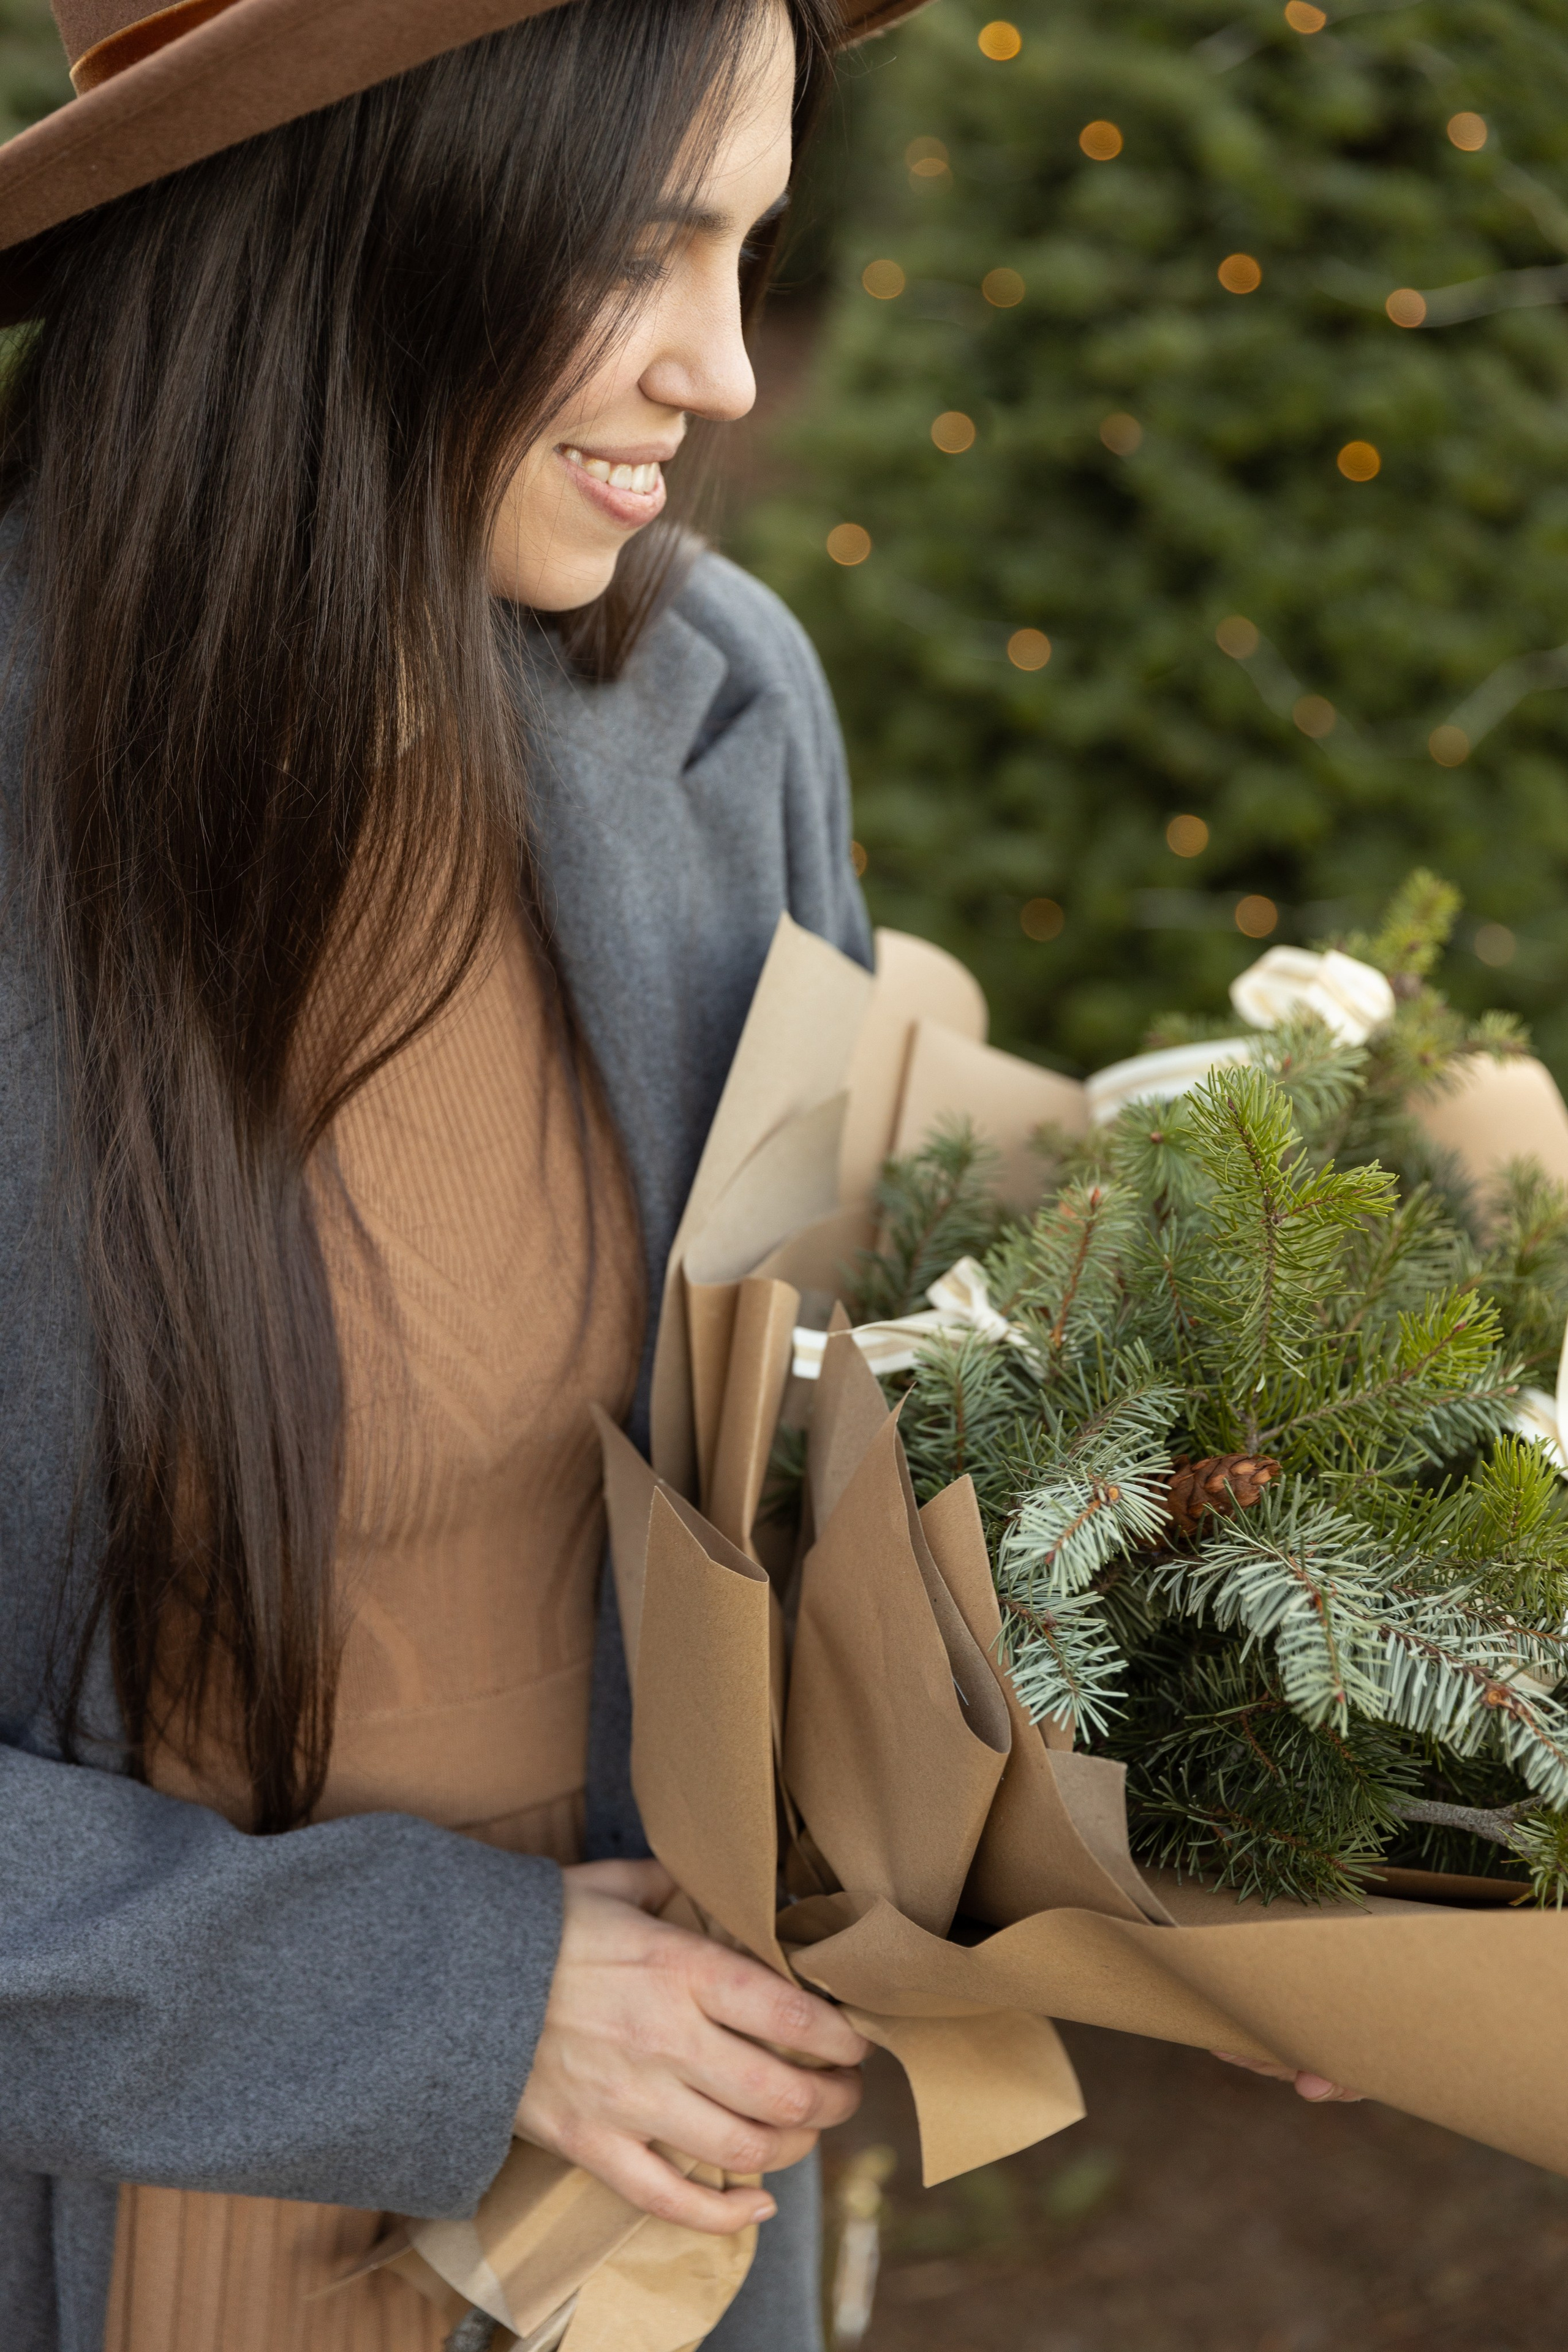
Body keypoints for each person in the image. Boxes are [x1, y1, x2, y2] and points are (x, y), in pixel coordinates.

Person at [0, 3, 930, 2348]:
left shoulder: (728, 714)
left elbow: (833, 1447)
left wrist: (1238, 1851)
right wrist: (452, 2003)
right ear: (360, 218)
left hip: (648, 2241)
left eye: (758, 250)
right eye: (651, 248)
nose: (727, 371)